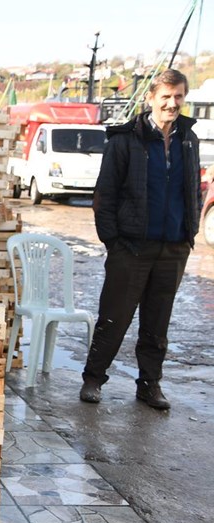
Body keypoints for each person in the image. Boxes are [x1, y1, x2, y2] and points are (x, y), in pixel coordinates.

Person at [80, 69, 201, 410]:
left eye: (178, 96)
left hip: (173, 246)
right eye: (166, 97)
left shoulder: (188, 139)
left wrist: (189, 234)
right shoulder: (125, 140)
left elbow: (192, 188)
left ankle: (150, 385)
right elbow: (104, 195)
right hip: (131, 247)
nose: (172, 103)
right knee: (114, 317)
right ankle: (93, 379)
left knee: (157, 322)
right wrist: (113, 241)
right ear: (150, 98)